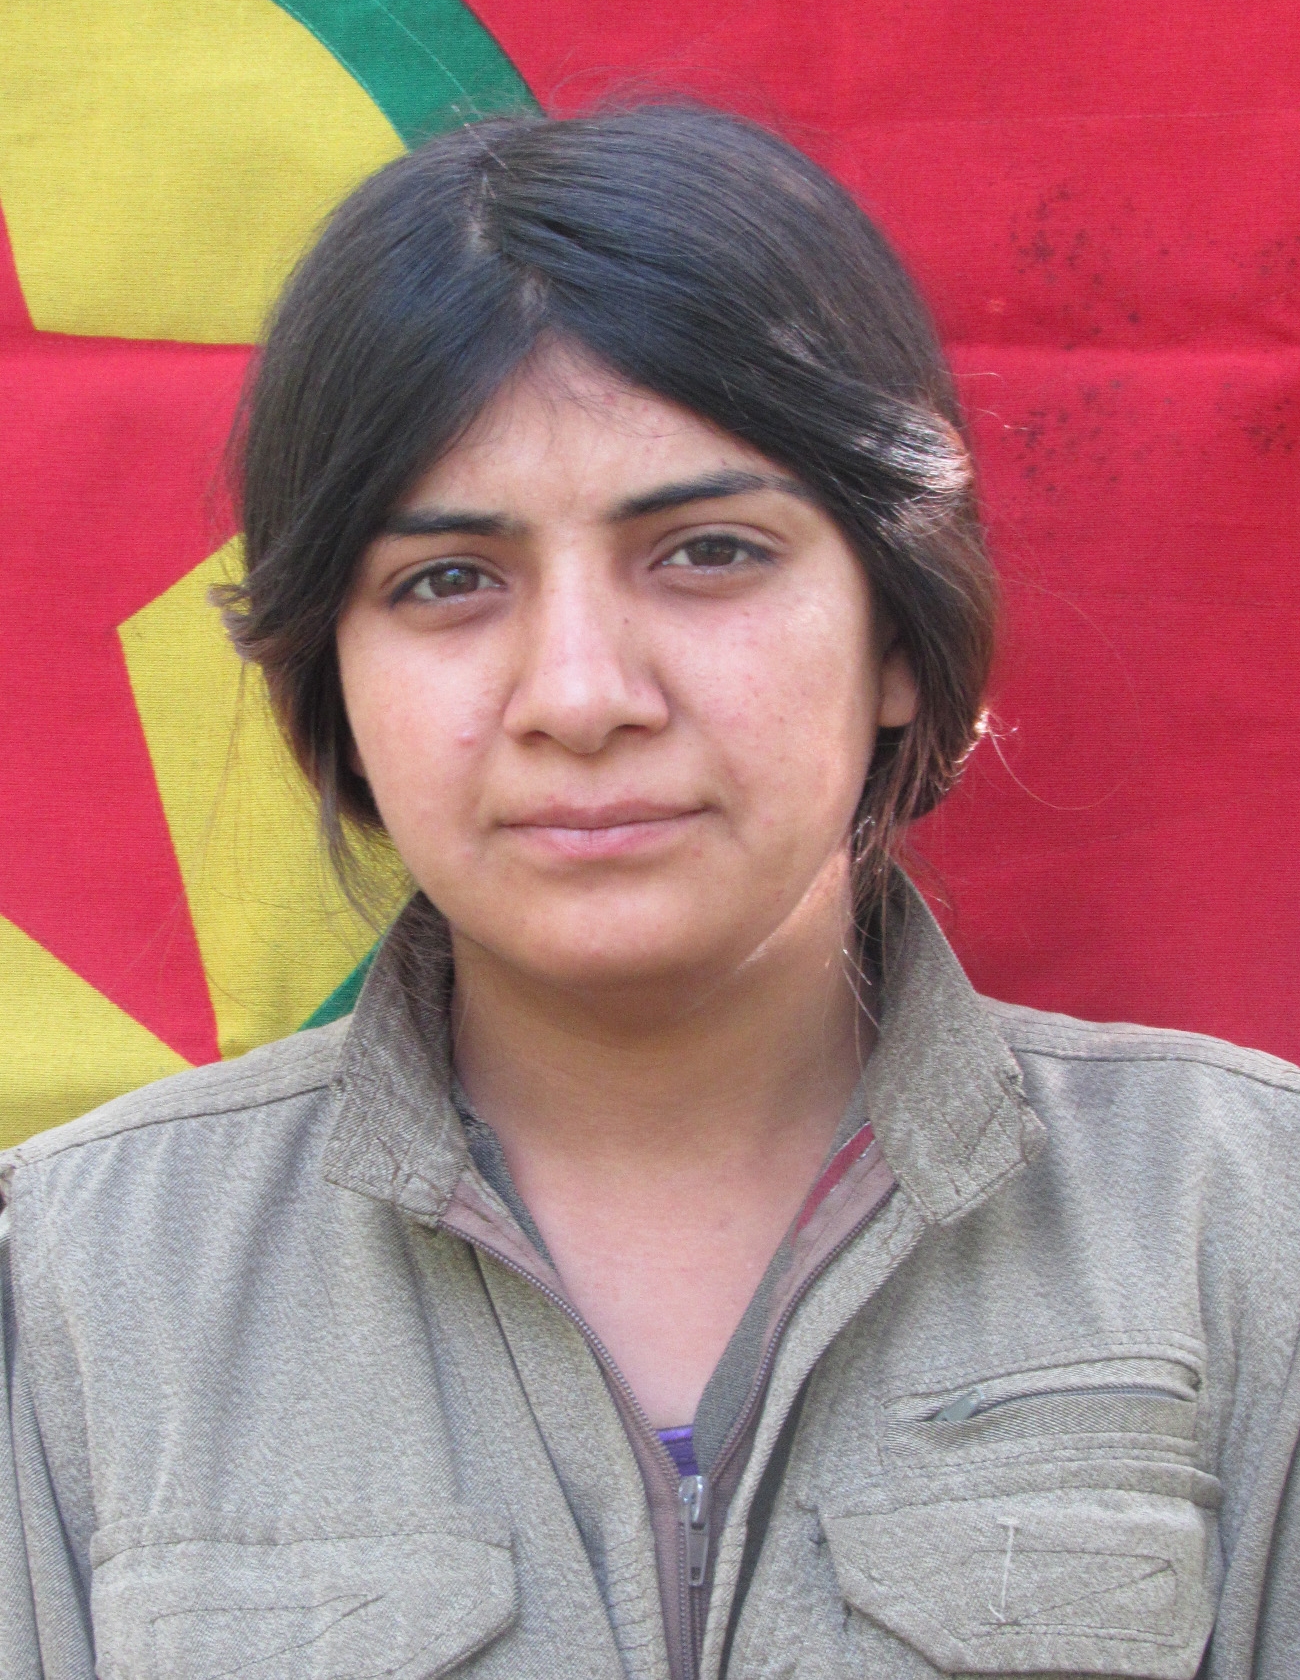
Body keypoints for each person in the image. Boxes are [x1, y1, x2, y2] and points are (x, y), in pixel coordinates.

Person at [2, 104, 1297, 1680]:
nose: (581, 693)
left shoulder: (1244, 1225)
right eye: (448, 581)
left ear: (898, 633)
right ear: (329, 683)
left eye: (707, 553)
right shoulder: (78, 1288)